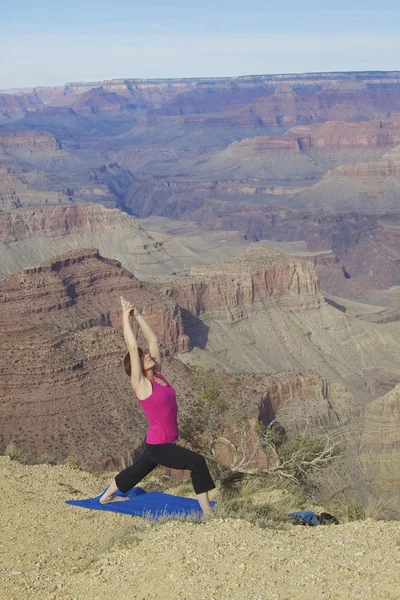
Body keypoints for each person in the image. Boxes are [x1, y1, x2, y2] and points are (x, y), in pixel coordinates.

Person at [99, 296, 215, 514]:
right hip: (159, 446)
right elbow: (133, 348)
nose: (147, 355)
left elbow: (152, 341)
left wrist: (138, 315)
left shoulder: (159, 376)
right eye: (143, 357)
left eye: (146, 355)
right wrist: (125, 317)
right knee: (197, 463)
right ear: (137, 367)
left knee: (137, 471)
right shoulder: (141, 384)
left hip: (158, 442)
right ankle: (207, 512)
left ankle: (106, 497)